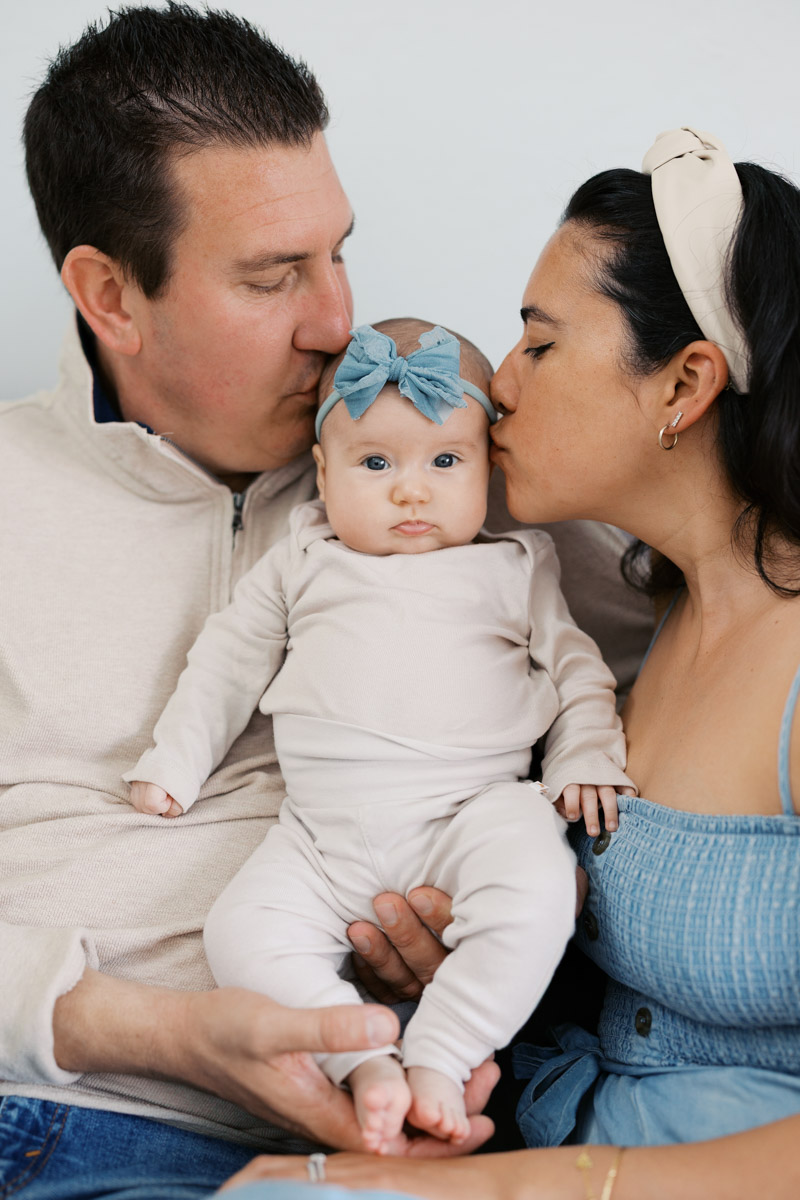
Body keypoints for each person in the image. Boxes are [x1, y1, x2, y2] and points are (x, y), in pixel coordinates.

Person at [0, 6, 652, 1196]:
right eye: (271, 277)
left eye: (337, 251)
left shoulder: (442, 464)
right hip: (44, 1105)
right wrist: (143, 1027)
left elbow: (712, 596)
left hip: (356, 1138)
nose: (337, 321)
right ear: (110, 295)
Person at [229, 128, 800, 1197]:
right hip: (540, 1119)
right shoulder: (640, 623)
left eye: (538, 345)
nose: (494, 391)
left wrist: (503, 1188)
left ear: (683, 385)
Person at [124, 316, 634, 1153]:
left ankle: (444, 1050)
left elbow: (580, 673)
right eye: (374, 463)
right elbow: (226, 661)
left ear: (486, 466)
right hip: (320, 836)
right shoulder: (302, 559)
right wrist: (175, 760)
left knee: (537, 888)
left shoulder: (514, 565)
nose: (412, 490)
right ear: (322, 472)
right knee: (240, 932)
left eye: (445, 461)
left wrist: (583, 755)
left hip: (470, 813)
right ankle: (357, 1053)